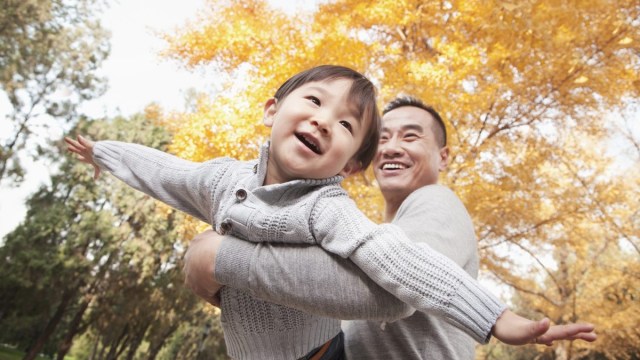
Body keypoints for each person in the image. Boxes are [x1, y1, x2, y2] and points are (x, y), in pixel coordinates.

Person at [66, 66, 595, 360]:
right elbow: (168, 172)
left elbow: (398, 270)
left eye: (347, 126)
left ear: (349, 166)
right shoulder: (225, 180)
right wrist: (106, 153)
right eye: (314, 102)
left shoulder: (332, 209)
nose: (323, 122)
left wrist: (497, 318)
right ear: (272, 110)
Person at [183, 96, 598, 359]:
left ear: (444, 156)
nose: (392, 147)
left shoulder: (435, 201)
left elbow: (389, 292)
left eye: (411, 137)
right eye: (381, 139)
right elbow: (318, 300)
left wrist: (222, 257)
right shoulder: (361, 234)